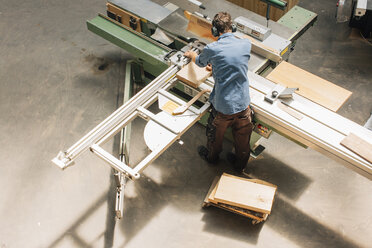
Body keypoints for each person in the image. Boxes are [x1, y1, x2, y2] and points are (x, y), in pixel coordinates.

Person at [184, 11, 253, 173]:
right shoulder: (246, 44)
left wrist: (193, 54)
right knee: (243, 139)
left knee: (215, 136)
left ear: (215, 31)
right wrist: (217, 67)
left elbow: (200, 63)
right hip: (243, 105)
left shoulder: (212, 48)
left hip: (223, 108)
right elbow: (234, 64)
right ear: (233, 27)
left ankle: (212, 158)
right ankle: (240, 165)